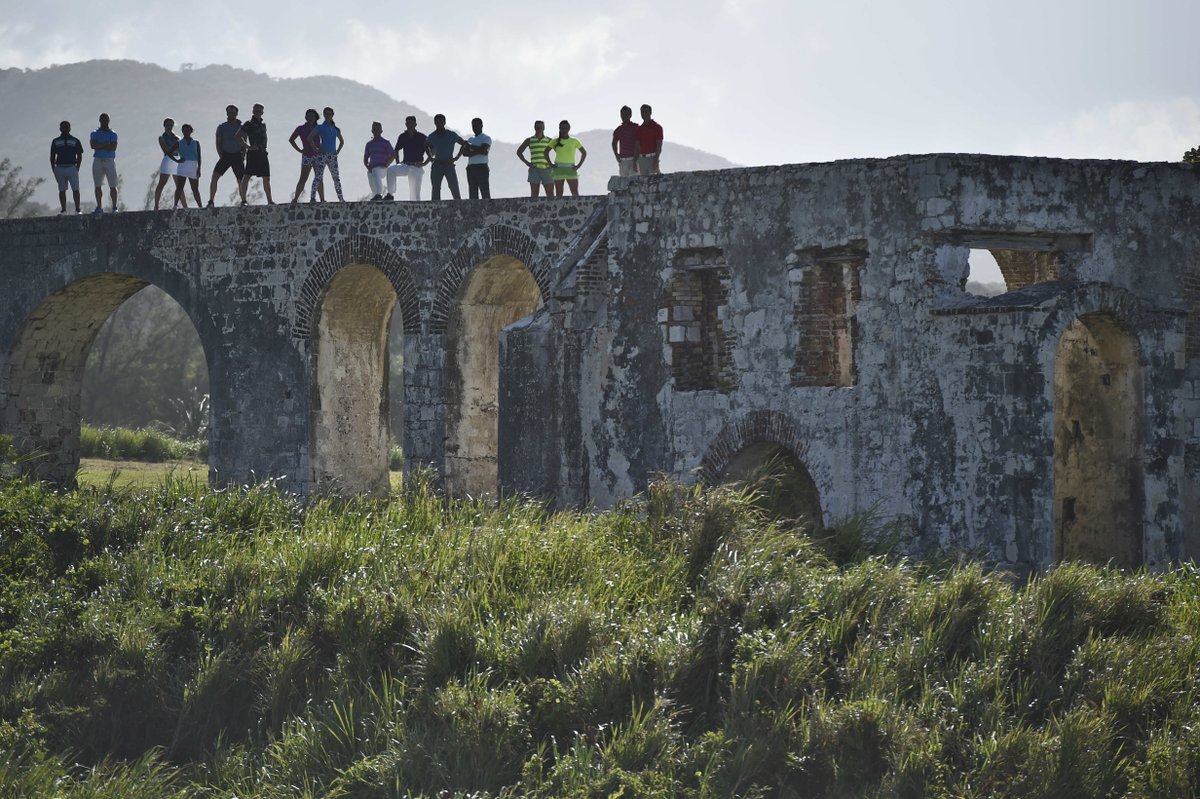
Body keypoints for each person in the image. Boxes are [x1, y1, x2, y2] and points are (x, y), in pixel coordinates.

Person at [207, 105, 246, 208]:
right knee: (215, 176)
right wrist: (221, 155)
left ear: (236, 113)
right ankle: (211, 201)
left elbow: (244, 142)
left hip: (237, 155)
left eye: (233, 112)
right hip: (225, 155)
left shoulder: (241, 126)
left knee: (241, 179)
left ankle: (244, 201)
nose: (231, 114)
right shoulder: (222, 127)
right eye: (229, 112)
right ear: (227, 113)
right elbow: (218, 143)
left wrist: (243, 155)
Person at [237, 103, 274, 205]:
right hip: (253, 153)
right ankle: (243, 200)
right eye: (256, 110)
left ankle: (270, 201)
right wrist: (247, 146)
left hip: (263, 153)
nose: (258, 111)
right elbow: (238, 136)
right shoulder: (248, 123)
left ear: (262, 112)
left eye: (260, 110)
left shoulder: (263, 125)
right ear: (253, 111)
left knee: (266, 177)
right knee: (247, 175)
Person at [386, 115, 428, 200]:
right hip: (405, 165)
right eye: (407, 123)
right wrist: (398, 163)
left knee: (415, 195)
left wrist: (425, 163)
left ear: (415, 124)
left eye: (411, 123)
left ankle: (417, 211)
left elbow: (432, 148)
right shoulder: (403, 136)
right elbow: (396, 150)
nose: (409, 125)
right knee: (391, 170)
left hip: (417, 167)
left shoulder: (422, 137)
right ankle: (390, 194)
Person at [308, 106, 345, 202]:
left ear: (332, 115)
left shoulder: (335, 129)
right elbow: (310, 138)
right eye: (326, 113)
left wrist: (337, 151)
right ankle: (312, 197)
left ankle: (341, 198)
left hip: (332, 155)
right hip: (322, 155)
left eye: (329, 114)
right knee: (318, 176)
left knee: (336, 178)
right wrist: (316, 149)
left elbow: (341, 141)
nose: (328, 115)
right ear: (324, 115)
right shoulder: (320, 127)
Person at [425, 114, 465, 201]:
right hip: (437, 165)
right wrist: (430, 157)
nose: (439, 124)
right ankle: (435, 209)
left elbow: (463, 144)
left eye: (441, 122)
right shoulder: (432, 136)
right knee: (436, 188)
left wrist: (456, 157)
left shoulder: (451, 135)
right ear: (434, 123)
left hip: (449, 164)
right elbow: (426, 146)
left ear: (444, 122)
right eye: (437, 122)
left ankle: (459, 206)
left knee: (454, 187)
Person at [289, 109, 323, 203]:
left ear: (316, 117)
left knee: (319, 177)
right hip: (307, 155)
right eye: (309, 116)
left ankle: (322, 199)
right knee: (303, 178)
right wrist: (300, 150)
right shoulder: (301, 128)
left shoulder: (319, 128)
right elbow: (291, 139)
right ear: (306, 117)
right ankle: (295, 199)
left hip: (318, 155)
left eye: (313, 116)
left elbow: (326, 138)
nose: (311, 118)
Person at [49, 120, 83, 214]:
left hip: (72, 167)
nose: (65, 129)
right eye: (63, 127)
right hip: (59, 167)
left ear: (70, 128)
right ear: (60, 129)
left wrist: (77, 167)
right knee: (62, 189)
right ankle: (63, 209)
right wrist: (53, 168)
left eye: (67, 127)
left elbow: (79, 155)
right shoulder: (55, 141)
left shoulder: (75, 140)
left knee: (76, 189)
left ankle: (77, 209)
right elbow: (52, 155)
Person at [548, 120, 587, 197]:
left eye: (566, 128)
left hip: (571, 169)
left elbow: (584, 153)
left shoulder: (574, 141)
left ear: (569, 128)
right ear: (559, 129)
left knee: (575, 193)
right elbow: (546, 152)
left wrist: (578, 165)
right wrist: (550, 164)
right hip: (558, 169)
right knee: (559, 194)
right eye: (562, 128)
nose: (564, 130)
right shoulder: (555, 141)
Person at [516, 120, 554, 197]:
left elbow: (559, 151)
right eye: (537, 127)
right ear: (534, 128)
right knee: (534, 194)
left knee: (550, 194)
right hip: (534, 169)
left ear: (544, 128)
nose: (539, 129)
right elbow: (519, 152)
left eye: (541, 127)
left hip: (547, 169)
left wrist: (552, 164)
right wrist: (527, 163)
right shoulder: (529, 140)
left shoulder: (549, 140)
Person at [89, 112, 118, 213]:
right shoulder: (94, 133)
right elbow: (93, 146)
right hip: (98, 160)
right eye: (102, 120)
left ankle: (114, 207)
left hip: (109, 160)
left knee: (113, 185)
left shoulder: (113, 134)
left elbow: (113, 147)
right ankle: (99, 207)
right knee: (97, 185)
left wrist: (99, 145)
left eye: (106, 120)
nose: (104, 122)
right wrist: (106, 144)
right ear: (99, 121)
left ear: (108, 121)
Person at [153, 118, 181, 211]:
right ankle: (156, 206)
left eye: (171, 125)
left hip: (176, 161)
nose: (169, 127)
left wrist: (173, 150)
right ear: (164, 126)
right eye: (168, 125)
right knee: (162, 183)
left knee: (179, 185)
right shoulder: (162, 137)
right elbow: (166, 150)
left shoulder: (177, 138)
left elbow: (181, 151)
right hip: (167, 161)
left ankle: (183, 205)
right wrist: (174, 150)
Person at [173, 123, 203, 208]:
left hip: (193, 166)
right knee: (180, 187)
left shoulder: (196, 142)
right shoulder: (179, 143)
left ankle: (200, 206)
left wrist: (199, 168)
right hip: (182, 166)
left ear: (191, 131)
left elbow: (199, 156)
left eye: (188, 130)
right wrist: (177, 159)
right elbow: (170, 152)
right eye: (184, 130)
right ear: (182, 131)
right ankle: (175, 205)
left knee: (195, 189)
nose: (186, 132)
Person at [363, 121, 395, 200]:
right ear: (372, 131)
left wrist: (387, 164)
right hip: (373, 168)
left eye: (378, 129)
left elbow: (393, 155)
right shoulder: (369, 144)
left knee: (376, 170)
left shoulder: (385, 143)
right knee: (370, 173)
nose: (376, 131)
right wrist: (368, 167)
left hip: (383, 168)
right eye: (374, 129)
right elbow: (365, 158)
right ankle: (376, 195)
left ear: (381, 131)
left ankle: (379, 194)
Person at [463, 117, 492, 200]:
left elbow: (484, 150)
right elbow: (464, 153)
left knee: (485, 192)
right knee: (472, 193)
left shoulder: (486, 138)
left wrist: (470, 147)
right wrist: (478, 151)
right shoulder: (471, 139)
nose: (475, 127)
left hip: (481, 167)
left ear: (482, 125)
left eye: (477, 125)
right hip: (471, 167)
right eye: (473, 126)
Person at [635, 104, 663, 176]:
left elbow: (659, 145)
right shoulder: (639, 129)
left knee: (653, 180)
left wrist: (656, 159)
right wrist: (635, 161)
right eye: (642, 112)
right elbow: (637, 146)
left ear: (650, 112)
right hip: (642, 159)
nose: (644, 114)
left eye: (645, 112)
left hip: (652, 157)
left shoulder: (657, 127)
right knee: (643, 183)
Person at [612, 105, 638, 177]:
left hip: (633, 159)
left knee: (634, 182)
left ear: (630, 115)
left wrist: (636, 159)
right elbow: (614, 143)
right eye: (623, 114)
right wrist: (617, 155)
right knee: (624, 183)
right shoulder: (618, 130)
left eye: (626, 114)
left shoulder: (635, 127)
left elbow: (639, 143)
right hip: (623, 160)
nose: (624, 116)